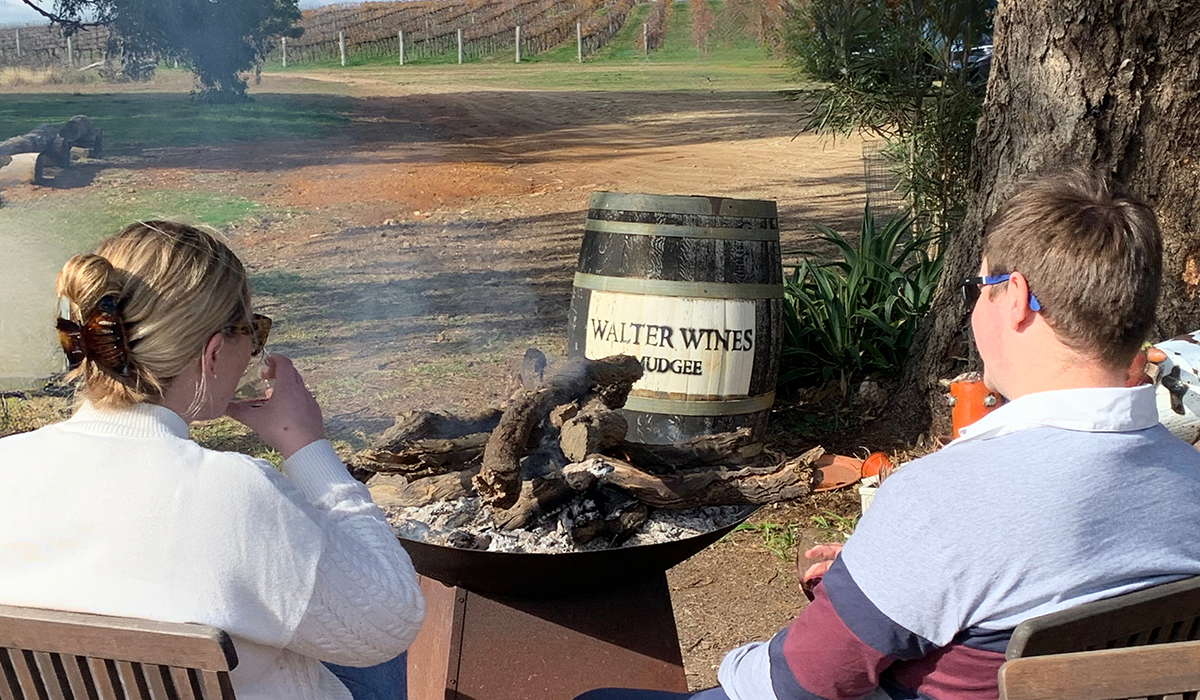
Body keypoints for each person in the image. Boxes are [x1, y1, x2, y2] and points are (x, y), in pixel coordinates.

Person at [576, 170, 1200, 700]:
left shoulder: (947, 496)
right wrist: (872, 577)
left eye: (975, 287)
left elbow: (801, 684)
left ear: (1014, 299)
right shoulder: (1189, 483)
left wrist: (737, 663)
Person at [0, 221, 424, 700]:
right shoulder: (235, 493)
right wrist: (306, 446)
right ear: (215, 352)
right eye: (253, 333)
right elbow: (390, 621)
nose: (252, 352)